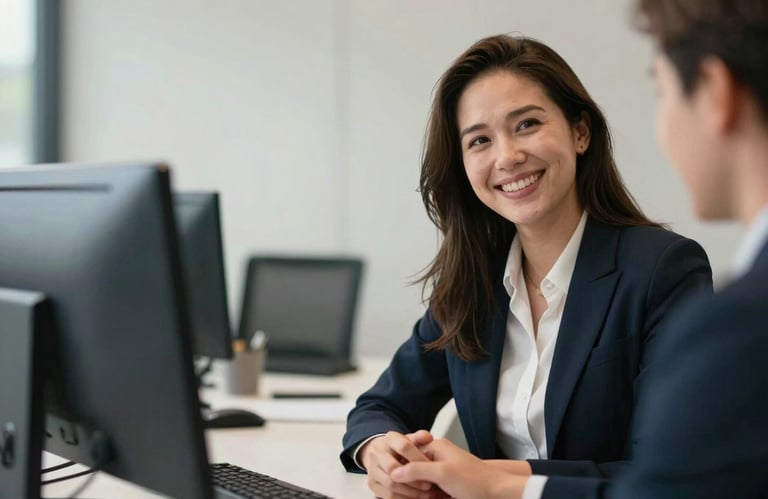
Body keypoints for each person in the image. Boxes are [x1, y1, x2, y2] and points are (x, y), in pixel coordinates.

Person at [388, 1, 768, 499]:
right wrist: (382, 450)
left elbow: (663, 473)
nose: (507, 156)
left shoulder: (664, 271)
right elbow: (385, 403)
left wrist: (501, 482)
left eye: (527, 124)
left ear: (581, 132)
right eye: (479, 140)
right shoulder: (474, 280)